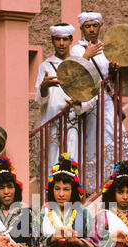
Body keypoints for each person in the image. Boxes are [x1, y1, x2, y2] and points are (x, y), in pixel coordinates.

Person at [70, 12, 128, 192]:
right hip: (91, 101)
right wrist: (86, 56)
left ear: (99, 27)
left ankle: (115, 177)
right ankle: (93, 184)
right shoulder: (77, 49)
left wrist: (113, 69)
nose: (91, 29)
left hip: (108, 99)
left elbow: (111, 78)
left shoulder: (106, 49)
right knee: (94, 140)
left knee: (115, 133)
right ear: (81, 29)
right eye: (87, 26)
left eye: (94, 26)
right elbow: (74, 74)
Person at [35, 23, 97, 174]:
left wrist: (79, 103)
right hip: (51, 122)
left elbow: (92, 95)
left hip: (72, 122)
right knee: (50, 164)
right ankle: (47, 197)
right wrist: (44, 88)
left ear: (70, 41)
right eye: (57, 39)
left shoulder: (80, 64)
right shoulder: (46, 65)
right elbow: (39, 99)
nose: (61, 43)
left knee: (71, 164)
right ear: (52, 41)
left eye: (65, 39)